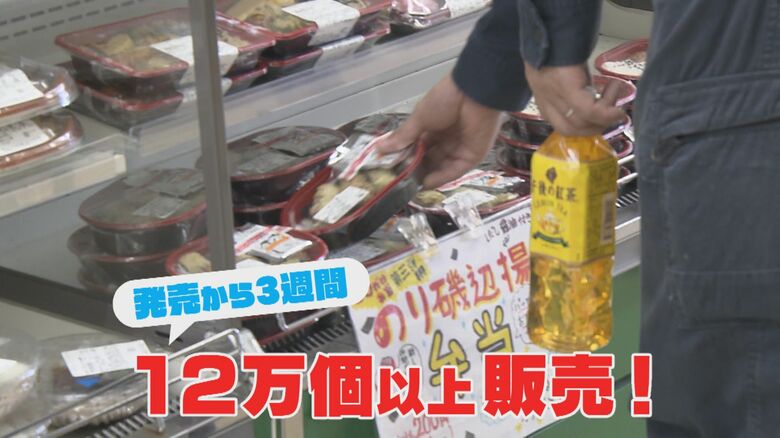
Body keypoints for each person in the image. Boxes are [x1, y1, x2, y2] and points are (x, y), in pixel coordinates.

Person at [377, 0, 780, 436]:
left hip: (745, 101)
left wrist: (536, 44)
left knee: (732, 397)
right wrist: (493, 69)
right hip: (738, 103)